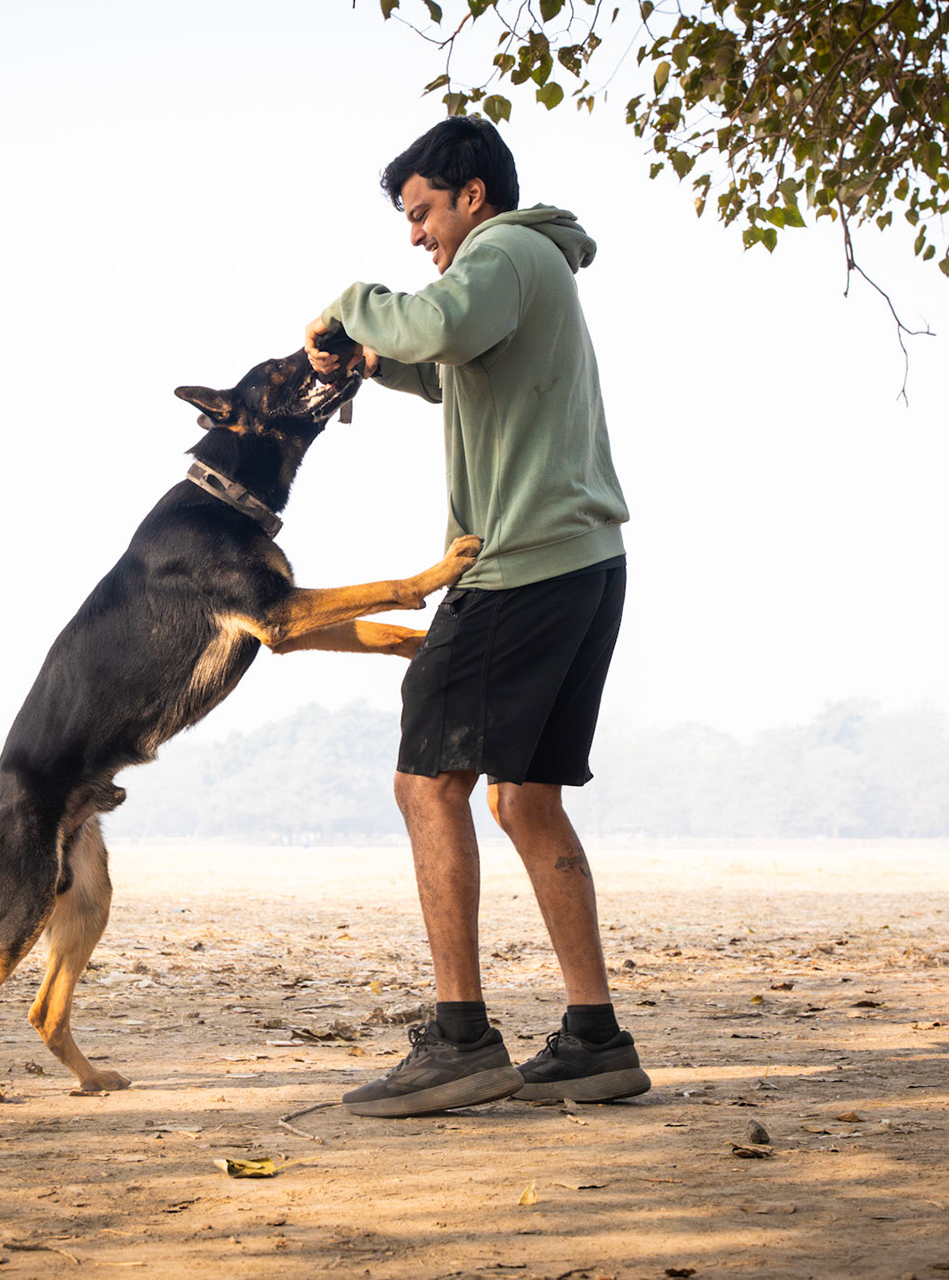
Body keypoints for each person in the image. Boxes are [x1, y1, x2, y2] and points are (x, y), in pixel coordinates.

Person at [303, 116, 647, 1118]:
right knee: (525, 801)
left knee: (426, 782)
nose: (416, 235)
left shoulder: (502, 251)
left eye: (422, 214)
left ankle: (459, 1040)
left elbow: (438, 327)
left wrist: (347, 304)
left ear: (472, 196)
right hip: (584, 566)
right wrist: (371, 362)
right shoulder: (531, 267)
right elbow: (449, 361)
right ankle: (595, 1039)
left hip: (518, 571)